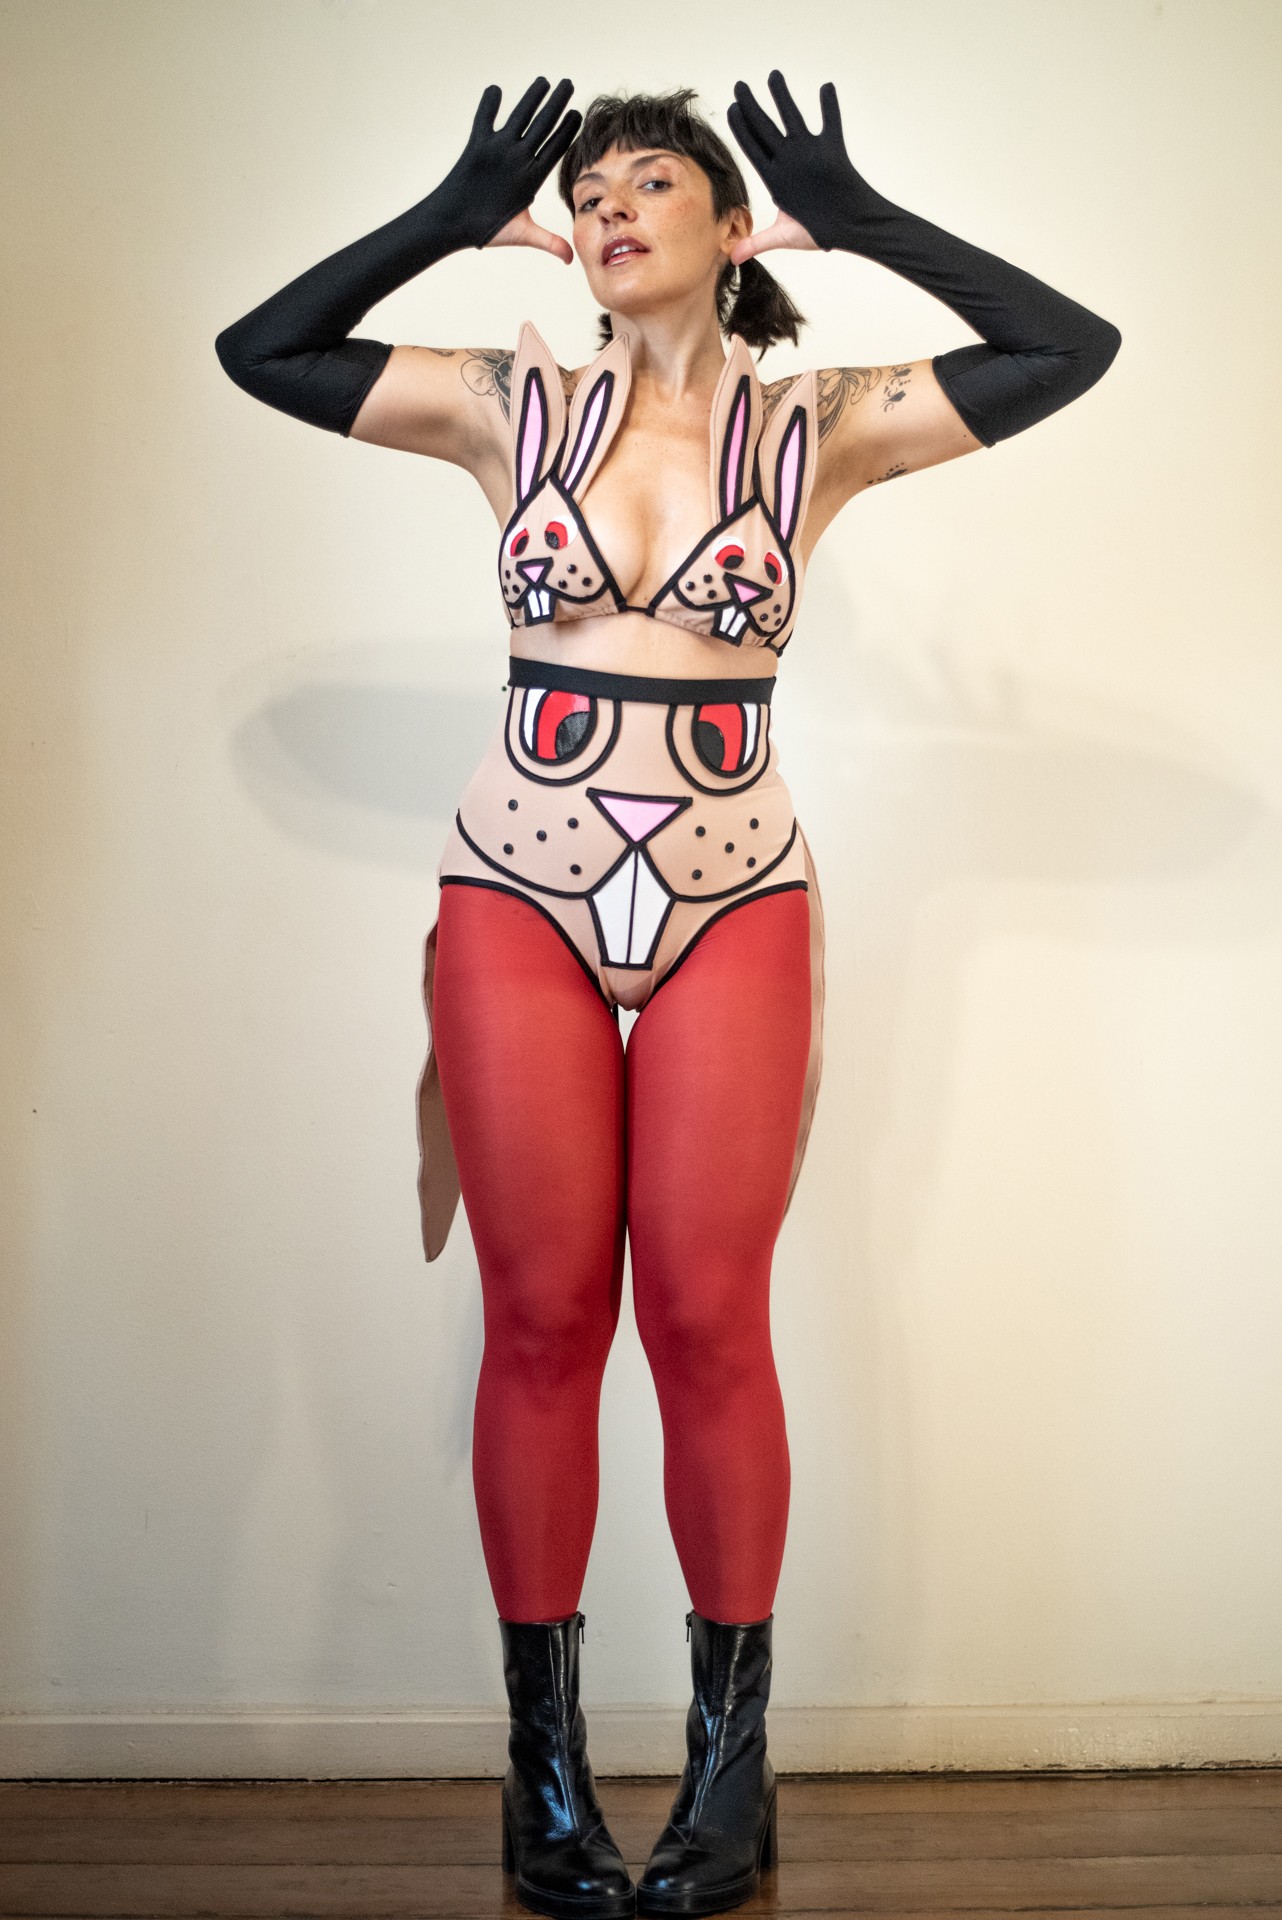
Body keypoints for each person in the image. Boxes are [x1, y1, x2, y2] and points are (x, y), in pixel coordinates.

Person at [214, 71, 1120, 1919]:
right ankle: (542, 1782)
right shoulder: (502, 402)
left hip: (732, 897)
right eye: (586, 192)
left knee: (708, 1319)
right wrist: (446, 216)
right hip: (515, 889)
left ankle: (728, 1773)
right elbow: (264, 350)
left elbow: (1065, 347)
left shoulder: (821, 423)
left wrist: (863, 223)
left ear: (728, 225)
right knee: (544, 1320)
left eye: (651, 181)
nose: (609, 207)